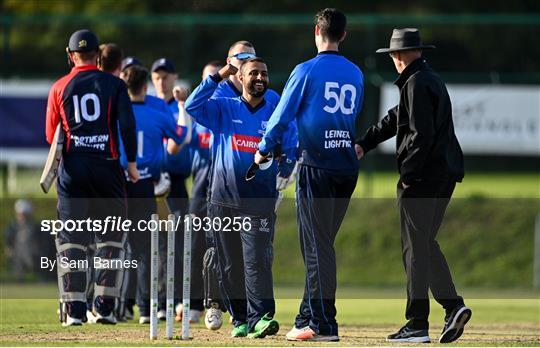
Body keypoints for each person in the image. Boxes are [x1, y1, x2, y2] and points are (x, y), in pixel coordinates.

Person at [355, 28, 471, 344]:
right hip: (444, 174)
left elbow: (421, 134)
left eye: (393, 54)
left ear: (398, 55)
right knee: (424, 244)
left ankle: (417, 323)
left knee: (413, 249)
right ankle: (452, 307)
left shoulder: (417, 83)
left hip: (422, 177)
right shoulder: (426, 79)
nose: (393, 59)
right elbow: (396, 119)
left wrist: (408, 172)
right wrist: (365, 143)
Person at [256, 8, 364, 342]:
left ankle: (323, 322)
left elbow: (281, 116)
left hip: (317, 164)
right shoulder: (356, 73)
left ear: (317, 31)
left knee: (317, 249)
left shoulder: (306, 70)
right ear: (343, 35)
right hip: (346, 167)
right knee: (322, 246)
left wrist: (263, 148)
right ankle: (307, 315)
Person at [185, 57, 297, 338]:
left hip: (259, 201)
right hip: (222, 199)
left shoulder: (275, 110)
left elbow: (291, 142)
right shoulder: (225, 107)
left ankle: (262, 317)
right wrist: (219, 75)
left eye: (264, 73)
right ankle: (240, 319)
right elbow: (192, 106)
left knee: (256, 259)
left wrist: (285, 172)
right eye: (253, 74)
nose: (260, 78)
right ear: (240, 78)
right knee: (229, 263)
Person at [46, 29, 139, 326]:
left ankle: (74, 312)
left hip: (73, 172)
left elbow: (51, 135)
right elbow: (126, 126)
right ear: (98, 54)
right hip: (107, 169)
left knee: (72, 241)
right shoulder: (114, 84)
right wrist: (133, 164)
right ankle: (105, 308)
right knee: (111, 239)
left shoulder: (60, 87)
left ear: (70, 54)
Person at [119, 64, 190, 324]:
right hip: (146, 184)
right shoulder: (156, 114)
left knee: (113, 244)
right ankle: (147, 308)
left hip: (119, 184)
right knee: (146, 248)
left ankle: (110, 305)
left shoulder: (116, 114)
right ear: (146, 86)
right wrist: (181, 107)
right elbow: (181, 137)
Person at [188, 60, 226, 330]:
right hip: (200, 189)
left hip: (225, 188)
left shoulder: (224, 111)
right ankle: (190, 304)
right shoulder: (198, 118)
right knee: (195, 246)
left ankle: (223, 304)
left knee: (223, 247)